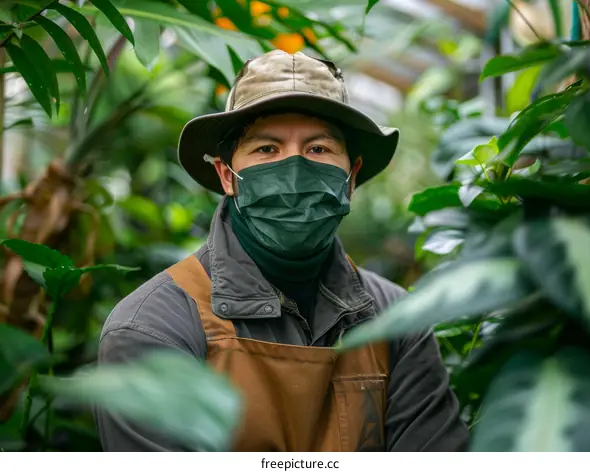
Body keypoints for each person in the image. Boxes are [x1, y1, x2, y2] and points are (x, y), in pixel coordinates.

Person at [93, 49, 469, 452]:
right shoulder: (154, 326)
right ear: (227, 175)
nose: (293, 170)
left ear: (351, 177)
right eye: (267, 150)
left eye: (318, 149)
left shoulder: (397, 321)